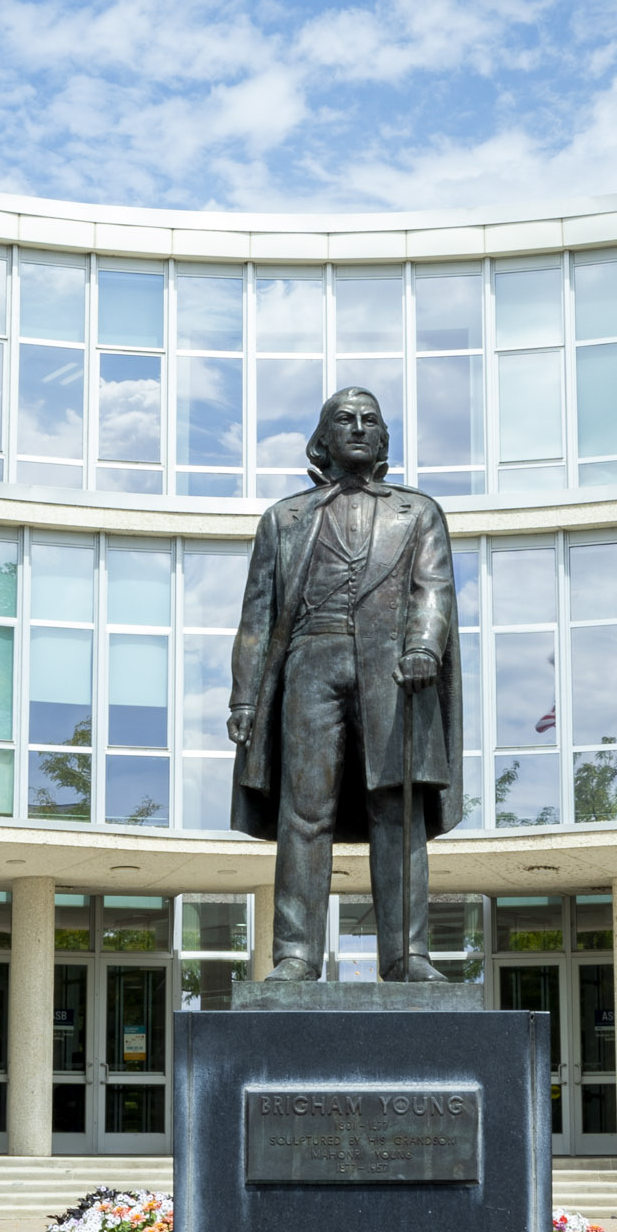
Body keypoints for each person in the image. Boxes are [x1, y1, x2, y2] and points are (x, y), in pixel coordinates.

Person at [225, 386, 462, 979]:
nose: (358, 427)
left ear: (382, 439)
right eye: (344, 420)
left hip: (396, 673)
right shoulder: (284, 518)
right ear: (323, 439)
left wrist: (423, 647)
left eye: (369, 420)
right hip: (311, 662)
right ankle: (295, 954)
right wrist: (246, 697)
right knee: (303, 814)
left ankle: (407, 956)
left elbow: (433, 590)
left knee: (396, 811)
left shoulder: (419, 511)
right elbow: (256, 618)